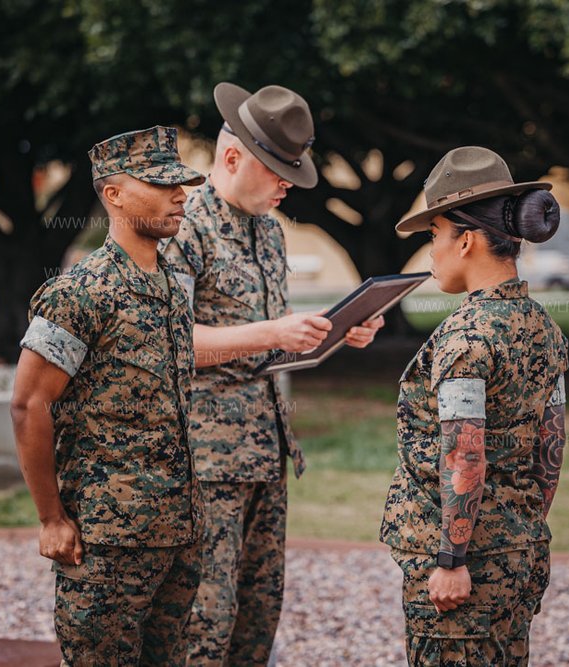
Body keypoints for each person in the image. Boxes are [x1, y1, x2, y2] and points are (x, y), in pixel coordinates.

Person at [162, 82, 384, 666]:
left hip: (265, 452)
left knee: (258, 619)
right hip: (205, 463)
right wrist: (273, 332)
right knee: (202, 627)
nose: (290, 184)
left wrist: (337, 332)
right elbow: (165, 343)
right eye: (280, 170)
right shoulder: (184, 228)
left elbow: (271, 346)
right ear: (232, 158)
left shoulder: (269, 231)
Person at [10, 125, 206, 666]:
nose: (180, 195)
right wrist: (51, 519)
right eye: (162, 184)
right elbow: (29, 405)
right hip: (108, 542)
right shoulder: (81, 292)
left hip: (178, 531)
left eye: (181, 184)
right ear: (112, 194)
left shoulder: (171, 285)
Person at [380, 146, 568, 666]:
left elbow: (465, 454)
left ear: (465, 239)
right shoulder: (542, 327)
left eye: (434, 234)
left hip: (467, 570)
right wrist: (522, 527)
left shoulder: (467, 336)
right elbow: (552, 443)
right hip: (519, 552)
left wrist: (452, 558)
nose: (431, 251)